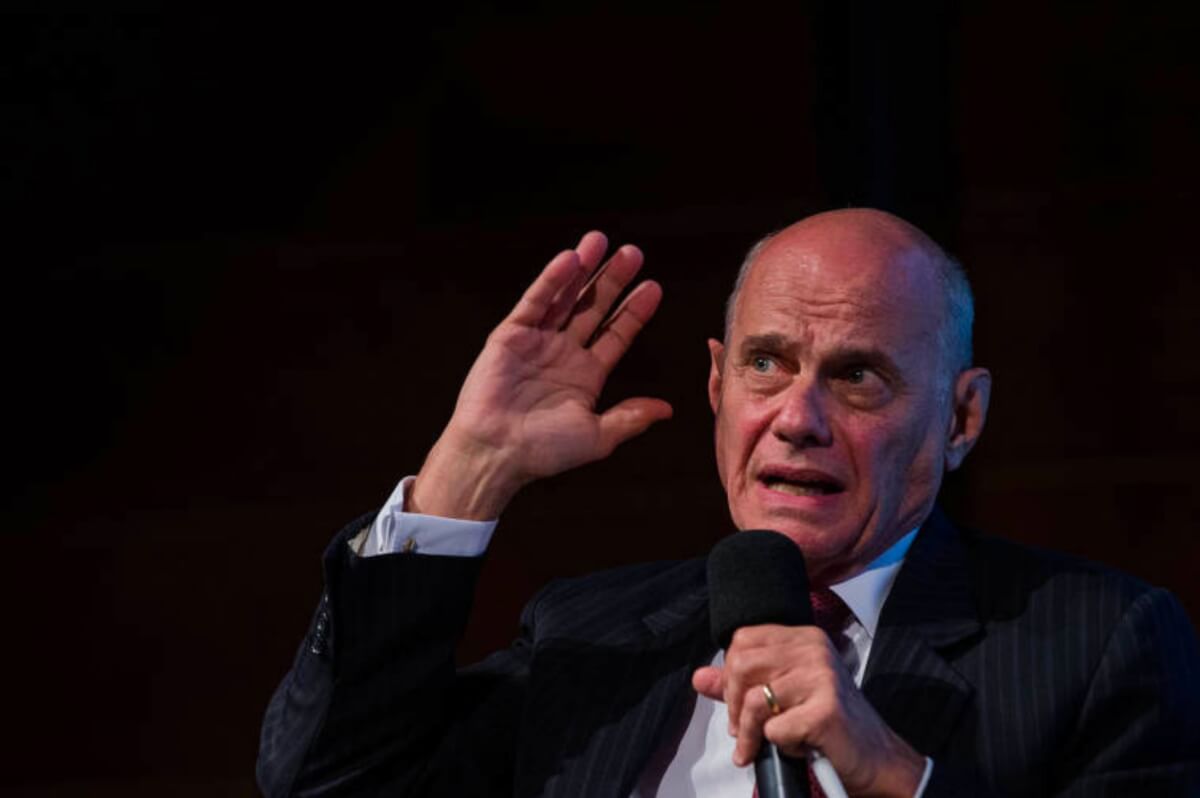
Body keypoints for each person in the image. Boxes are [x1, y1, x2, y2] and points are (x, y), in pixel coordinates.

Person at [257, 209, 1200, 797]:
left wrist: (895, 776)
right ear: (717, 384)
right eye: (766, 364)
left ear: (961, 417)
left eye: (858, 377)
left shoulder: (1097, 646)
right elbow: (329, 782)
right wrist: (470, 469)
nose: (798, 419)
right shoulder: (589, 636)